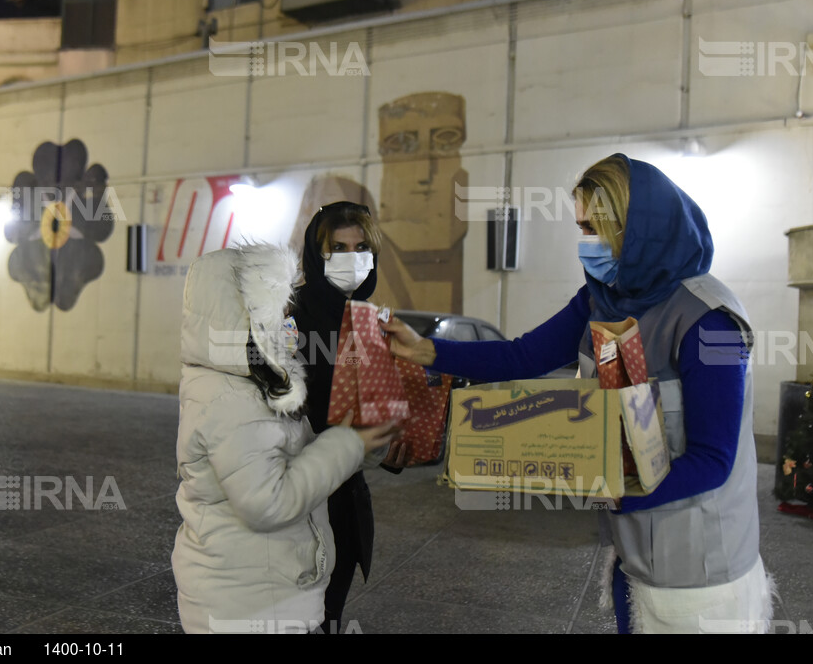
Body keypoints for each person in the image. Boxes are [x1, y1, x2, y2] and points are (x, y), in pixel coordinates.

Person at [381, 153, 773, 634]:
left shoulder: (708, 321)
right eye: (581, 228)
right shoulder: (599, 299)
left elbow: (713, 459)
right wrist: (426, 351)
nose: (586, 244)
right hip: (634, 560)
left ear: (640, 228)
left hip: (700, 577)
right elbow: (522, 356)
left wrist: (604, 486)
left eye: (597, 228)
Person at [170, 243, 398, 634]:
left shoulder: (257, 381)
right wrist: (348, 443)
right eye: (277, 303)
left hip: (271, 596)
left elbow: (303, 456)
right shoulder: (228, 397)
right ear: (244, 312)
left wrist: (364, 442)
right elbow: (268, 503)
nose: (289, 314)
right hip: (247, 608)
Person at [292, 201, 407, 634]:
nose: (351, 259)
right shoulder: (288, 315)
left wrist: (393, 445)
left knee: (331, 612)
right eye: (337, 248)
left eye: (360, 248)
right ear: (315, 254)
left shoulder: (371, 321)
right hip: (295, 498)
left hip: (345, 499)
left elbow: (373, 409)